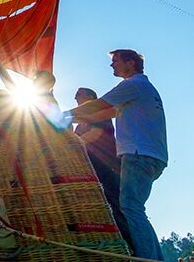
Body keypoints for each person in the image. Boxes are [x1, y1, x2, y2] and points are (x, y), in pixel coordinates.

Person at [67, 49, 167, 261]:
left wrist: (58, 115)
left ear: (130, 63)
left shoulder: (132, 85)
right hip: (152, 156)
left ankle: (147, 258)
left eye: (115, 61)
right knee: (135, 208)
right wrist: (67, 120)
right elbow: (104, 113)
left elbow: (98, 105)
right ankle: (154, 256)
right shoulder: (143, 89)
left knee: (130, 208)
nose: (112, 65)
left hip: (137, 154)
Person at [74, 87, 132, 251]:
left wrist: (72, 145)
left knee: (117, 208)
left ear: (91, 97)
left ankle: (132, 249)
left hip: (108, 167)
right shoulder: (80, 124)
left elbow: (95, 134)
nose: (75, 97)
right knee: (99, 209)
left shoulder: (99, 113)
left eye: (79, 93)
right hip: (92, 170)